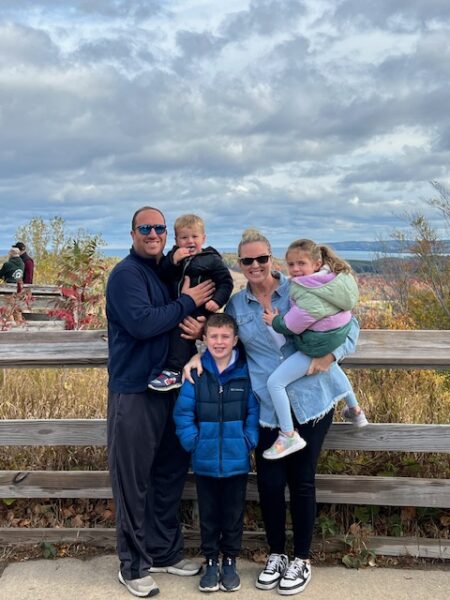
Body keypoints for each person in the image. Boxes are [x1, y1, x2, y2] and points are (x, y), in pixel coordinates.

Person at [182, 228, 360, 596]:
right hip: (268, 406)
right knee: (269, 484)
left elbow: (350, 326)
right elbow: (224, 341)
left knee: (303, 481)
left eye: (262, 258)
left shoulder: (301, 286)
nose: (255, 265)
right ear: (240, 264)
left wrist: (330, 355)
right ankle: (277, 554)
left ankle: (302, 558)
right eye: (247, 261)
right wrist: (199, 354)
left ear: (271, 259)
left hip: (312, 399)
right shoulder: (236, 306)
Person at [105, 206, 215, 598]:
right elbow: (141, 323)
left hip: (174, 390)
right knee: (132, 481)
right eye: (145, 228)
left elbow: (186, 319)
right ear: (133, 232)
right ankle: (133, 565)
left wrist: (199, 324)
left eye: (159, 228)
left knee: (169, 474)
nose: (153, 234)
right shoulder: (126, 275)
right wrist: (186, 303)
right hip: (134, 390)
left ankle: (164, 552)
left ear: (167, 233)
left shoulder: (167, 271)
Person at [173, 313, 259, 593]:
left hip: (237, 459)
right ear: (205, 339)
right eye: (213, 336)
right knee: (208, 515)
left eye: (225, 337)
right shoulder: (196, 373)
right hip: (205, 458)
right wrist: (194, 443)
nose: (219, 342)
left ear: (235, 341)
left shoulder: (245, 374)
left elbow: (253, 412)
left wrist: (248, 440)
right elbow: (183, 413)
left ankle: (230, 561)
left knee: (233, 514)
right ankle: (211, 561)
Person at [261, 238, 367, 460]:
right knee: (332, 367)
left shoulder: (305, 287)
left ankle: (288, 434)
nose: (296, 269)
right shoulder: (334, 281)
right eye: (291, 264)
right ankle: (356, 410)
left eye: (301, 263)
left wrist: (275, 321)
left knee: (275, 382)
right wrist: (331, 355)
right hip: (333, 337)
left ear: (316, 263)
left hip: (314, 344)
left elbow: (294, 324)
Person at [149, 214, 234, 392]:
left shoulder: (211, 259)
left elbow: (226, 282)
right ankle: (178, 369)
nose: (190, 242)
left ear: (203, 238)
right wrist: (173, 260)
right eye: (184, 237)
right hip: (179, 307)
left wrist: (217, 301)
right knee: (177, 336)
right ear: (176, 240)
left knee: (182, 334)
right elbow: (162, 274)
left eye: (195, 237)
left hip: (201, 311)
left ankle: (173, 371)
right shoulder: (173, 258)